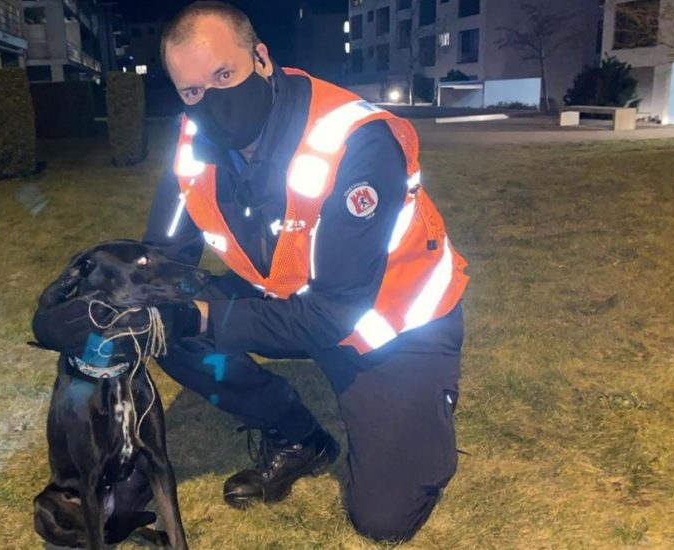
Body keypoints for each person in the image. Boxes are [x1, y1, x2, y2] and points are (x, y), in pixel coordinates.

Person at [32, 1, 469, 543]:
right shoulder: (195, 146)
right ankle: (296, 435)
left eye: (224, 75)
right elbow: (158, 265)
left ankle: (425, 411)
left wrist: (195, 318)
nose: (211, 101)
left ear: (261, 59)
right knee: (156, 322)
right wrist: (60, 321)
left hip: (391, 328)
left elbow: (335, 311)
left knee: (383, 518)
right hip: (287, 299)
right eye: (193, 91)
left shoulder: (353, 142)